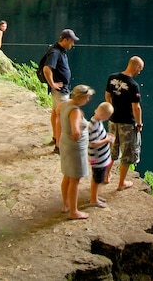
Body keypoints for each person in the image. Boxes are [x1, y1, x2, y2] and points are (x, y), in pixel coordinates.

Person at [105, 55, 145, 191]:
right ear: (136, 67)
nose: (139, 72)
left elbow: (107, 96)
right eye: (140, 69)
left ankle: (106, 175)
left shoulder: (112, 78)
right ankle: (121, 183)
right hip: (127, 123)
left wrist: (111, 110)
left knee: (112, 150)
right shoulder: (133, 85)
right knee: (127, 154)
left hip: (112, 120)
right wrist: (139, 124)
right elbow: (136, 107)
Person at [38, 28, 80, 153]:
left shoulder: (58, 50)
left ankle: (55, 138)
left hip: (61, 89)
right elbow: (47, 69)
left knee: (56, 112)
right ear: (65, 40)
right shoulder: (55, 52)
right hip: (60, 91)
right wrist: (53, 84)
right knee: (62, 116)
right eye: (71, 41)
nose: (72, 44)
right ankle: (59, 146)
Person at [59, 84, 94, 220]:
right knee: (75, 179)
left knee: (67, 175)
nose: (89, 99)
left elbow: (57, 112)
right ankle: (73, 211)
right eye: (88, 97)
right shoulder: (76, 111)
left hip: (65, 143)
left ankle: (66, 205)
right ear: (81, 97)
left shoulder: (65, 103)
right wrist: (78, 133)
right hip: (74, 148)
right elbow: (75, 130)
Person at [87, 101, 115, 208]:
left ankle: (95, 196)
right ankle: (94, 200)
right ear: (103, 115)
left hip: (101, 158)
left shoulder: (97, 122)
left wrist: (105, 136)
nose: (107, 119)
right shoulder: (93, 126)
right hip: (97, 159)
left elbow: (98, 137)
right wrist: (107, 140)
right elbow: (93, 143)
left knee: (97, 178)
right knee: (97, 179)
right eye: (107, 117)